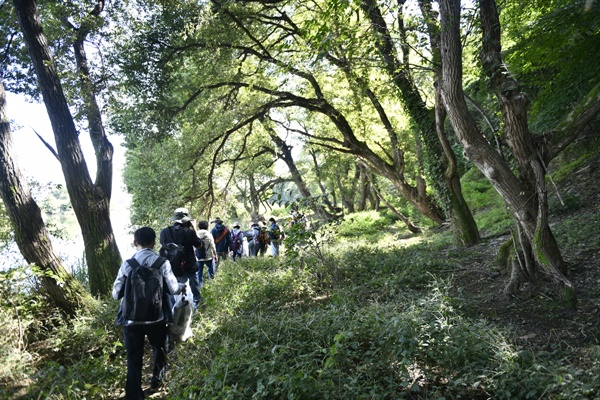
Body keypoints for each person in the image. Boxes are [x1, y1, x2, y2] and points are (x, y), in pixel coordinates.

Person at [112, 227, 185, 398]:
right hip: (156, 318)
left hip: (131, 320)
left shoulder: (127, 265)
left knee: (133, 359)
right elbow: (174, 289)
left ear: (135, 243)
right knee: (159, 350)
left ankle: (134, 393)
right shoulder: (162, 263)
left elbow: (116, 294)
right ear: (154, 242)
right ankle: (156, 382)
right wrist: (182, 287)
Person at [160, 208, 203, 308]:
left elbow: (163, 244)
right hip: (189, 265)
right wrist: (194, 229)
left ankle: (175, 309)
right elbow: (199, 245)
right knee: (194, 287)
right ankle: (197, 305)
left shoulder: (164, 232)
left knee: (175, 290)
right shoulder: (189, 232)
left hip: (172, 266)